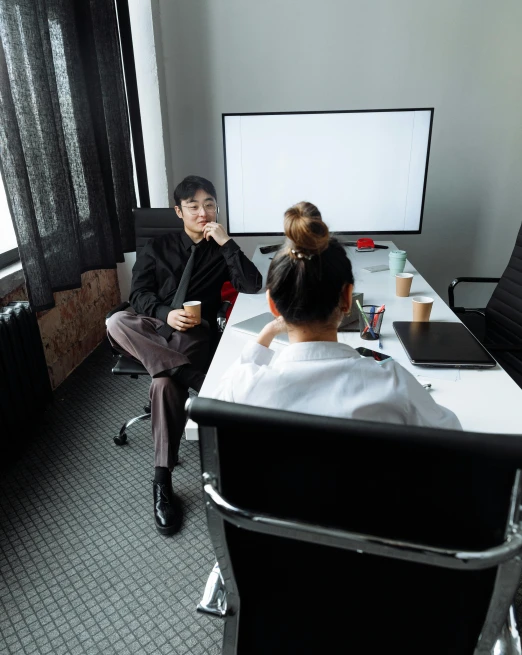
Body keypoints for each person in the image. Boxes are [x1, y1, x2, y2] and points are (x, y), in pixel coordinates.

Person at [214, 201, 461, 431]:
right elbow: (453, 436)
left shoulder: (245, 388)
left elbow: (214, 406)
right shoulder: (393, 384)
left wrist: (266, 333)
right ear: (347, 298)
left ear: (273, 305)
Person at [107, 175, 262, 536]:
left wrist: (227, 243)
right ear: (179, 211)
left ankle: (161, 482)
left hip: (191, 334)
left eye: (209, 204)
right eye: (193, 206)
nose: (203, 212)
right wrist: (164, 314)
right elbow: (138, 295)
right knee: (116, 321)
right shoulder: (158, 247)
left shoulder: (219, 249)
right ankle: (201, 384)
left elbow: (252, 285)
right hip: (151, 326)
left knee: (163, 384)